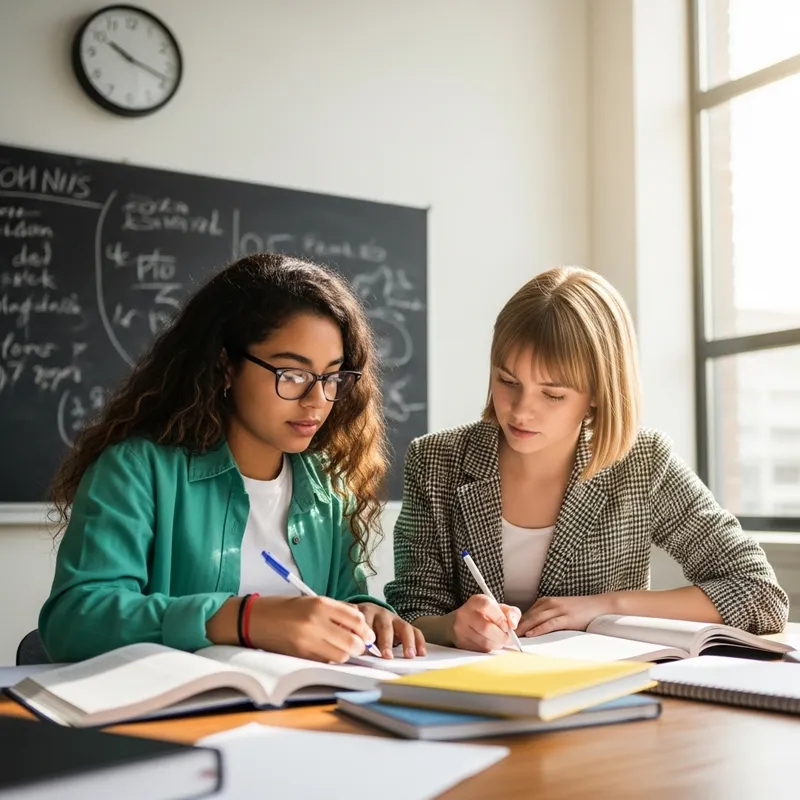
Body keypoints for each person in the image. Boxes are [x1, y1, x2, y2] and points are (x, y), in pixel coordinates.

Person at [40, 253, 425, 663]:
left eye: (332, 377)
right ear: (225, 366)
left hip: (301, 712)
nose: (318, 400)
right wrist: (243, 619)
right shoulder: (137, 470)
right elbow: (74, 620)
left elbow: (346, 597)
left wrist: (369, 614)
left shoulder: (328, 487)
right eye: (292, 374)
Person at [384, 266, 788, 652]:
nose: (521, 410)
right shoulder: (435, 460)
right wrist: (452, 627)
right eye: (508, 381)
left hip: (605, 698)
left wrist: (607, 605)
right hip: (471, 697)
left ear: (597, 393)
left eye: (553, 394)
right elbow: (413, 609)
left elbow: (759, 592)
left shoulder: (644, 462)